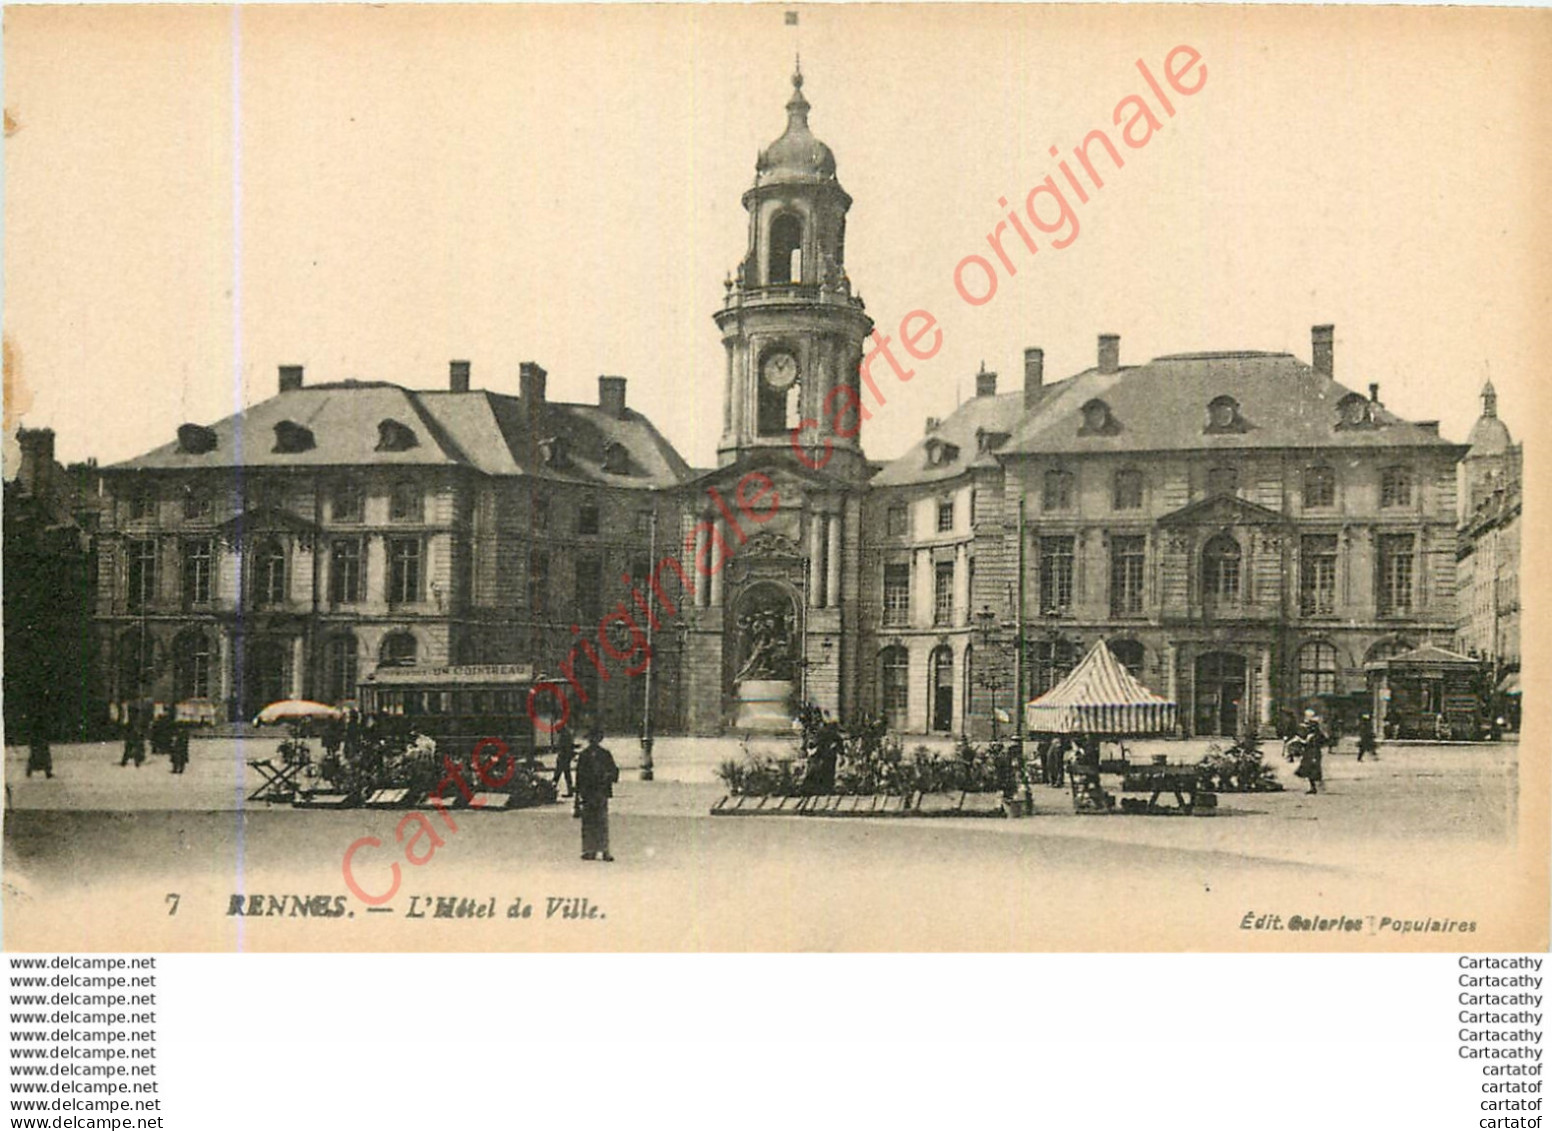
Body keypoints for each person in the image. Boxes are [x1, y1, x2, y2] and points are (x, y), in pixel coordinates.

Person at [575, 727, 619, 862]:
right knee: (596, 821)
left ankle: (595, 850)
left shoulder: (592, 754)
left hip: (596, 791)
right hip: (593, 792)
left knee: (596, 821)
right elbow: (580, 776)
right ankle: (595, 850)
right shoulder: (600, 754)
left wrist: (607, 776)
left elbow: (613, 772)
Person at [1293, 710, 1328, 794]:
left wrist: (1305, 740)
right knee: (1309, 769)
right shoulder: (1306, 728)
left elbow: (1321, 740)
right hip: (1309, 752)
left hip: (1313, 752)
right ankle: (1314, 787)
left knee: (1313, 769)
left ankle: (1317, 787)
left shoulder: (1315, 731)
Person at [551, 722, 577, 798]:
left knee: (558, 774)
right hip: (565, 757)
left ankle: (552, 789)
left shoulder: (565, 735)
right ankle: (570, 790)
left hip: (563, 757)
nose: (556, 732)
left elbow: (565, 747)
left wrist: (561, 755)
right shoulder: (566, 734)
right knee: (566, 774)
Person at [120, 704, 146, 768]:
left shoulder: (132, 720)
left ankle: (126, 761)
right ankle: (136, 761)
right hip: (134, 733)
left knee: (130, 747)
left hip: (132, 733)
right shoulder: (136, 720)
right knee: (134, 747)